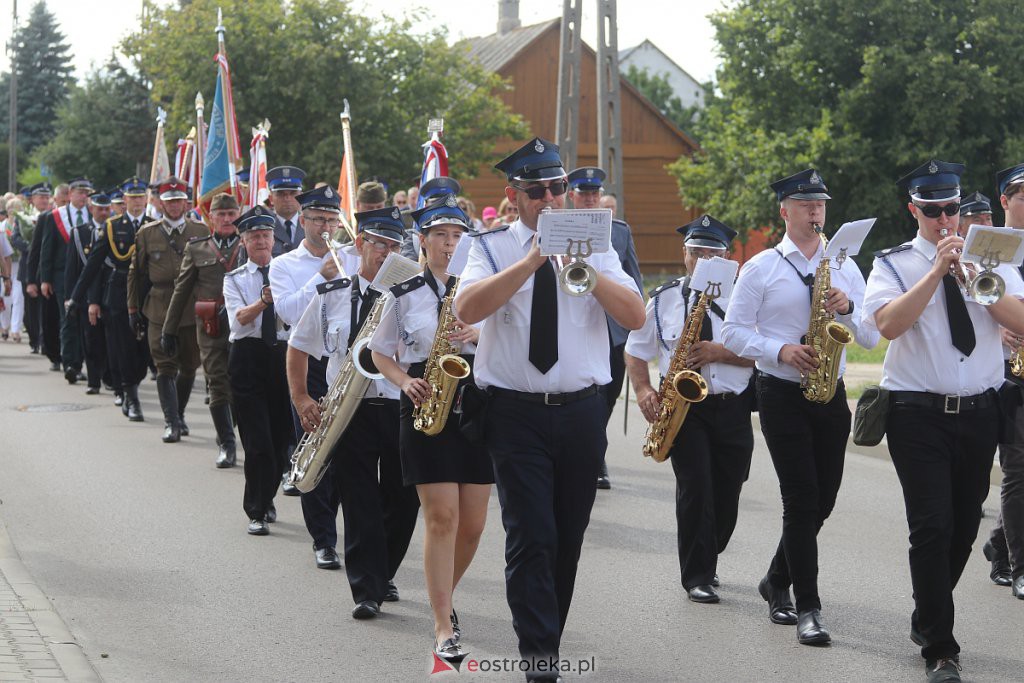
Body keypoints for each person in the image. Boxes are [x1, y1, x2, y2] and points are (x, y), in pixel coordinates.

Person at [455, 138, 644, 682]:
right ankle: (540, 658)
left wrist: (582, 267)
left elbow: (634, 316)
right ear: (513, 196)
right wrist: (533, 259)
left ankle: (547, 638)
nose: (549, 198)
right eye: (536, 191)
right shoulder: (489, 246)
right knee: (531, 534)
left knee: (567, 534)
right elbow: (467, 306)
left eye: (557, 188)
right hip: (514, 412)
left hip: (582, 411)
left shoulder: (596, 243)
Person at [862, 160, 1024, 682]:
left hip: (980, 411)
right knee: (931, 528)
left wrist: (981, 280)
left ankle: (927, 612)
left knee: (958, 530)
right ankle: (941, 647)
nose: (944, 220)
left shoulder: (991, 258)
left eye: (951, 209)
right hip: (917, 413)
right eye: (932, 211)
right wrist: (935, 272)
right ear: (914, 210)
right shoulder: (892, 264)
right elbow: (887, 325)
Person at [722, 168, 878, 645]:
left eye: (821, 204)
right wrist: (781, 350)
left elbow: (872, 335)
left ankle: (775, 578)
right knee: (801, 498)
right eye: (805, 204)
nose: (815, 212)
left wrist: (849, 308)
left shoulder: (845, 265)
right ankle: (808, 607)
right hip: (782, 392)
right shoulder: (761, 266)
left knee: (824, 499)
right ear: (784, 210)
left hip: (830, 390)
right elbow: (732, 331)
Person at [368, 195, 492, 661]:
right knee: (442, 517)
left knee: (474, 525)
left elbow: (509, 334)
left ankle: (445, 595)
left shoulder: (481, 289)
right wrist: (404, 380)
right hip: (426, 399)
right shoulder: (402, 294)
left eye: (458, 236)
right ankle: (443, 622)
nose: (449, 243)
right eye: (440, 235)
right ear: (423, 242)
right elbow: (380, 352)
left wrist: (479, 333)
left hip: (476, 398)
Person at [288, 198, 421, 620]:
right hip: (349, 409)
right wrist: (302, 398)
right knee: (360, 501)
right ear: (360, 243)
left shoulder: (413, 296)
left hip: (400, 405)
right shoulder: (331, 295)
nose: (387, 253)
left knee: (403, 501)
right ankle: (366, 589)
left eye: (395, 246)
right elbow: (298, 346)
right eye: (380, 244)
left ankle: (383, 571)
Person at [626, 215, 754, 604]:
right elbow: (635, 350)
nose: (703, 261)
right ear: (684, 255)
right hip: (684, 408)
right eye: (696, 253)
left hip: (733, 406)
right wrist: (644, 388)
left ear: (728, 258)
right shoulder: (663, 298)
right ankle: (696, 574)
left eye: (712, 253)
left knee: (729, 487)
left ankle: (710, 551)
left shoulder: (744, 298)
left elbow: (764, 354)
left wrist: (721, 352)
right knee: (695, 487)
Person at [269, 185, 347, 562]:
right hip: (305, 361)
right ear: (303, 221)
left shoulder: (351, 257)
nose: (326, 226)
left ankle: (338, 527)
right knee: (315, 447)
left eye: (333, 219)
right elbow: (287, 313)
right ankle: (323, 540)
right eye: (318, 219)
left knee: (348, 453)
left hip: (347, 361)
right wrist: (321, 276)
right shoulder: (284, 264)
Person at [567, 166, 643, 489]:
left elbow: (633, 279)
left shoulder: (620, 231)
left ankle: (594, 449)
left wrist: (637, 332)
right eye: (583, 194)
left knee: (607, 397)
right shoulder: (561, 227)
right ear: (572, 196)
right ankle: (594, 456)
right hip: (576, 327)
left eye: (594, 194)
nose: (589, 199)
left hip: (613, 332)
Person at [223, 206, 292, 535]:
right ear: (244, 242)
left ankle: (268, 494)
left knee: (281, 439)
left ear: (274, 240)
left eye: (266, 236)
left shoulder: (287, 274)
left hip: (281, 356)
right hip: (247, 358)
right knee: (257, 440)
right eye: (254, 237)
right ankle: (256, 509)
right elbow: (240, 319)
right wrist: (265, 301)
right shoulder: (234, 279)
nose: (261, 242)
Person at [161, 193, 243, 468]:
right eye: (221, 214)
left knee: (239, 382)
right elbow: (181, 291)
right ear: (212, 217)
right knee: (217, 382)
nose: (227, 219)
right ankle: (227, 444)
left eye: (232, 213)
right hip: (211, 327)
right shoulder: (198, 248)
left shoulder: (248, 245)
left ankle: (230, 431)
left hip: (244, 326)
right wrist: (169, 330)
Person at [128, 177, 206, 443]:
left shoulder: (200, 230)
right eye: (169, 201)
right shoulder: (147, 233)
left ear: (186, 201)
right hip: (159, 307)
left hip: (190, 309)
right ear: (160, 203)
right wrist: (133, 309)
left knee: (189, 367)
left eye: (178, 200)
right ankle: (171, 421)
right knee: (164, 366)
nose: (174, 206)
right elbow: (136, 275)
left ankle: (180, 413)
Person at [981, 164, 1024, 599]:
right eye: (1023, 196)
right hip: (1010, 375)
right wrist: (997, 330)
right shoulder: (991, 249)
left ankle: (998, 544)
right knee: (1019, 471)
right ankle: (1020, 566)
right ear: (1005, 202)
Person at [40, 177, 93, 382]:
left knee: (86, 321)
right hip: (62, 276)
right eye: (80, 193)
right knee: (68, 318)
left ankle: (89, 362)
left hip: (87, 276)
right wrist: (45, 279)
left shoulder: (93, 214)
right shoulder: (56, 216)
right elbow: (47, 249)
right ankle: (71, 363)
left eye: (86, 193)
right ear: (69, 194)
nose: (84, 197)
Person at [65, 190, 111, 394]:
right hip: (85, 295)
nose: (104, 212)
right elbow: (72, 269)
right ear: (91, 209)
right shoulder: (79, 232)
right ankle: (94, 381)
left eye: (106, 208)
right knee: (90, 339)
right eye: (100, 208)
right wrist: (71, 297)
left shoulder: (115, 230)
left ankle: (109, 377)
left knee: (109, 339)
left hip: (109, 293)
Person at [267, 166, 306, 256]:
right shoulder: (264, 228)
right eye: (280, 194)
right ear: (271, 198)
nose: (287, 198)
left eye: (293, 193)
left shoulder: (312, 225)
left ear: (301, 197)